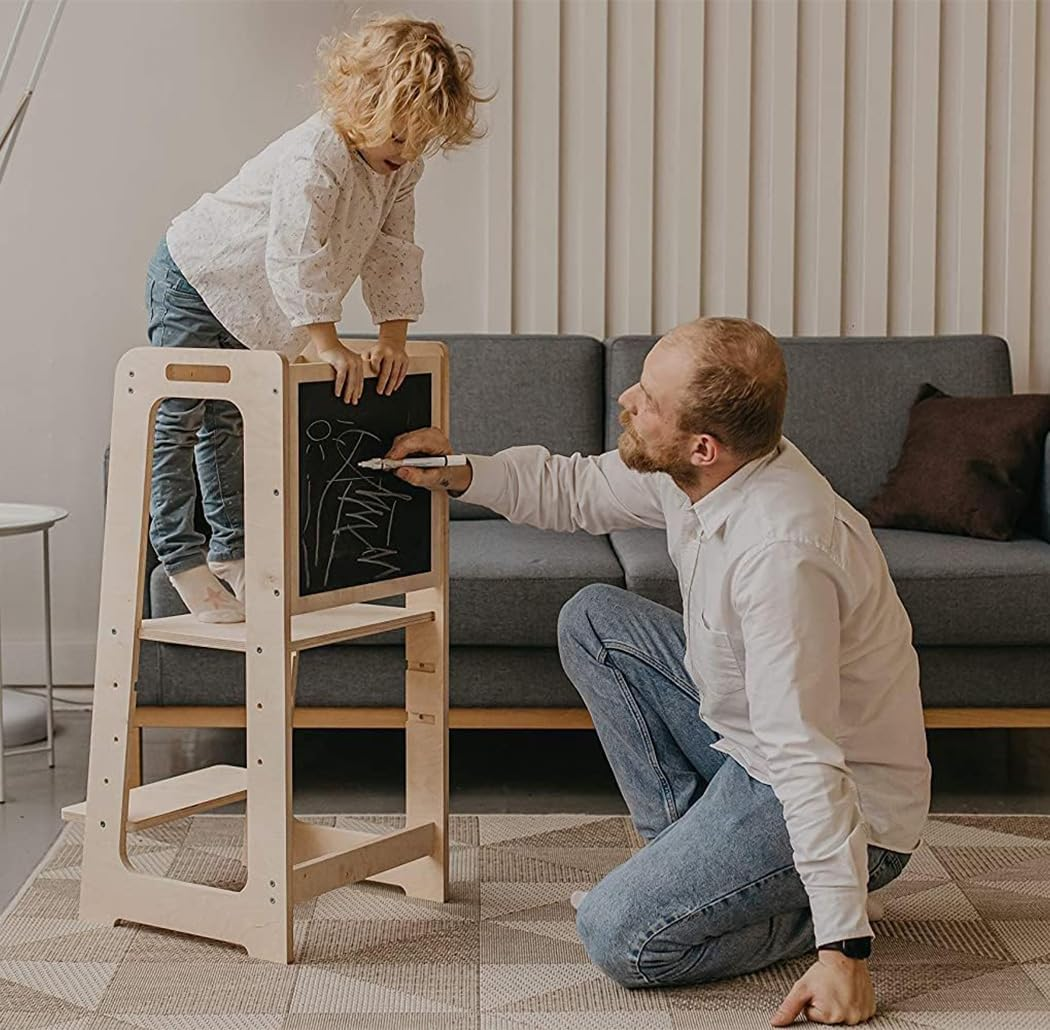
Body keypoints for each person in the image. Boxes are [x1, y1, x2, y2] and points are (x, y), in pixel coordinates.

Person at [386, 316, 931, 1026]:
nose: (627, 402)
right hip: (744, 744)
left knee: (622, 938)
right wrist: (459, 472)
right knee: (595, 620)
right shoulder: (708, 471)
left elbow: (806, 759)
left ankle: (834, 905)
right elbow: (574, 488)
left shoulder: (781, 555)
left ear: (703, 444)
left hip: (842, 800)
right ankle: (687, 866)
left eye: (647, 399)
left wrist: (843, 954)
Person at [145, 15, 487, 622]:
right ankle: (180, 556)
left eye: (421, 141)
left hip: (257, 308)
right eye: (400, 137)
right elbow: (296, 248)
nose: (406, 154)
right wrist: (325, 341)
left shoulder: (401, 169)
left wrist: (392, 338)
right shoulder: (316, 153)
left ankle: (233, 552)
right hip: (199, 279)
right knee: (181, 417)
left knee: (228, 423)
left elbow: (393, 247)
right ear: (363, 102)